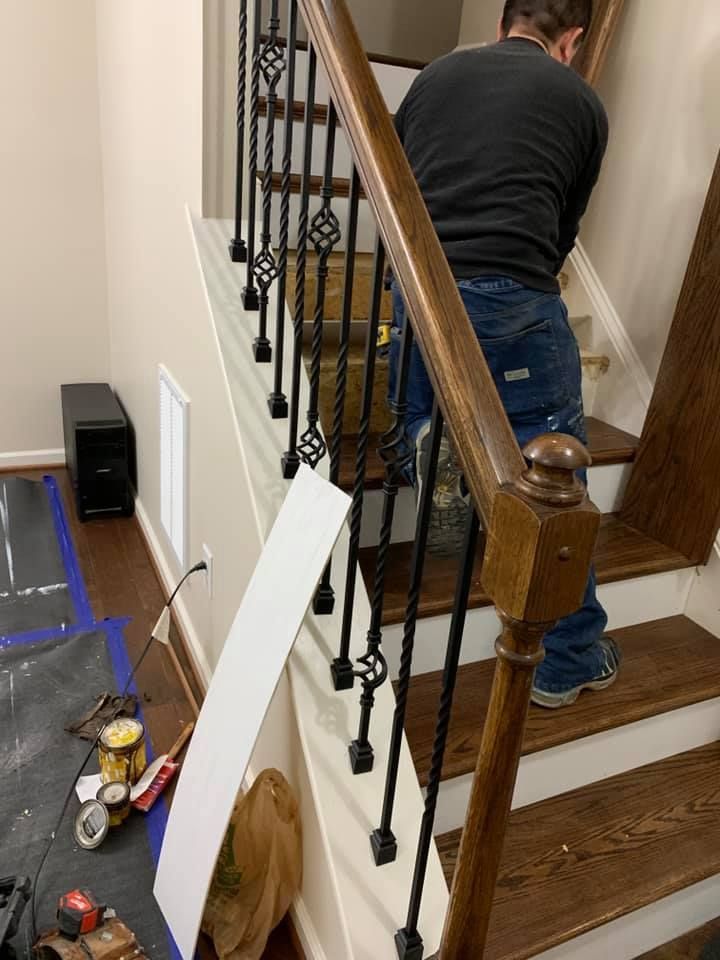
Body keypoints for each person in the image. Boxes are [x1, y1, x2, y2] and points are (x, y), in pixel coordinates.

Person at [390, 0, 620, 708]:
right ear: (573, 39)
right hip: (512, 297)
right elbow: (560, 233)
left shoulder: (433, 80)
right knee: (555, 485)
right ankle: (567, 660)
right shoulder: (582, 104)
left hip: (419, 298)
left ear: (502, 22)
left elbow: (401, 188)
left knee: (427, 380)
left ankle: (425, 435)